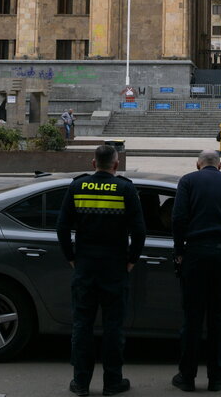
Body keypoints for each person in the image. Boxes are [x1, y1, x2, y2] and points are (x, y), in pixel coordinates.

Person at [57, 144, 145, 397]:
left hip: (85, 266)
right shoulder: (126, 189)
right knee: (114, 327)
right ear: (116, 165)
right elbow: (139, 231)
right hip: (115, 268)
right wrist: (132, 260)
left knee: (82, 325)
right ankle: (112, 382)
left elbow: (62, 227)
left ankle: (81, 383)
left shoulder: (77, 186)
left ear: (93, 164)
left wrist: (71, 257)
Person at [172, 150, 221, 393]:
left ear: (198, 164)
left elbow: (178, 218)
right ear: (220, 165)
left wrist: (179, 250)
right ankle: (217, 377)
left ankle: (186, 377)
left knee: (192, 318)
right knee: (218, 318)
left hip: (195, 254)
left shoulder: (187, 181)